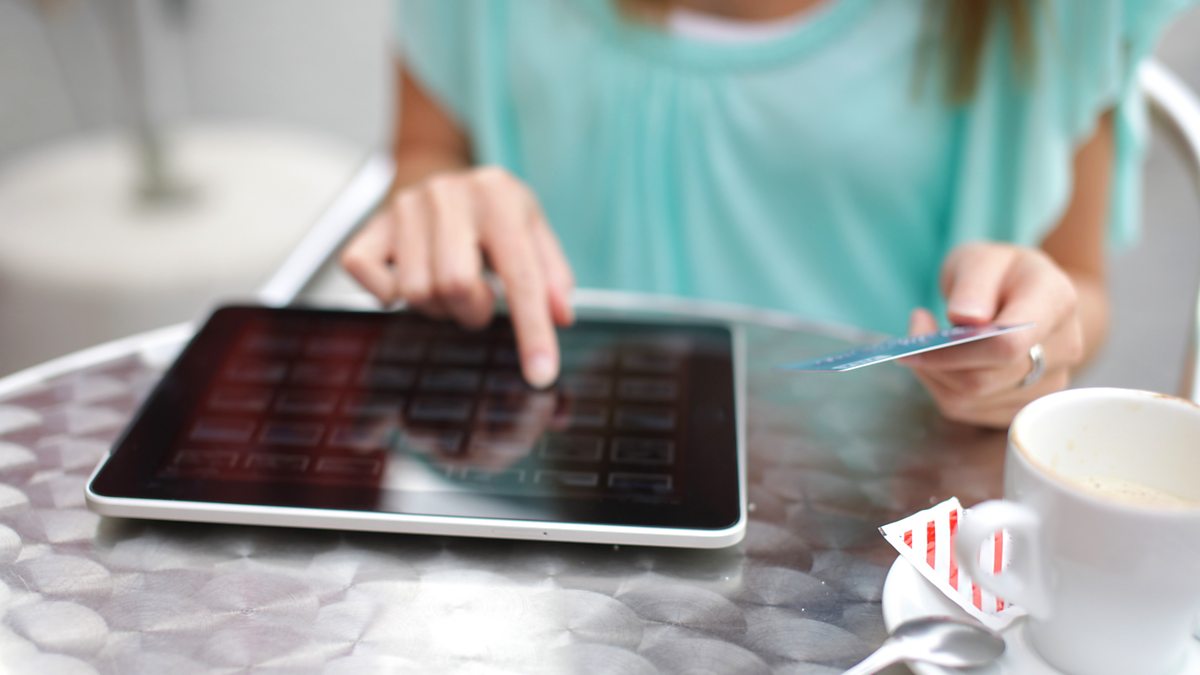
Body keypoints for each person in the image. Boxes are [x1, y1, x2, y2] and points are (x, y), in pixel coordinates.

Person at [340, 0, 1194, 428]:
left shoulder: (1051, 16)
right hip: (546, 477)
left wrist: (1027, 348)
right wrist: (440, 202)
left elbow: (1075, 283)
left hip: (875, 531)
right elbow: (426, 151)